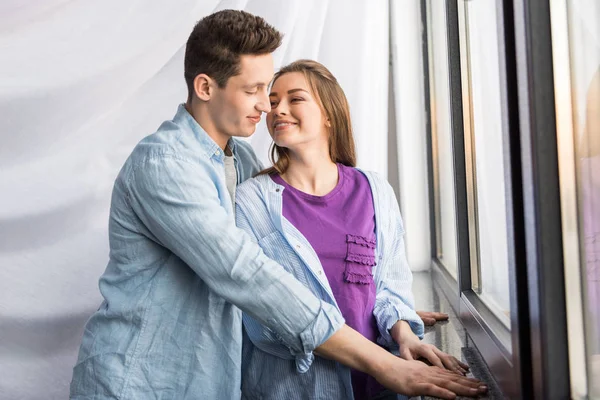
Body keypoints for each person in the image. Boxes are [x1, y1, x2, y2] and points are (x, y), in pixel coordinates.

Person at [69, 10, 487, 400]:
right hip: (138, 382)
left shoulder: (242, 161)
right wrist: (382, 364)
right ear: (205, 87)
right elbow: (244, 273)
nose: (266, 106)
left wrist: (379, 307)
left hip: (207, 380)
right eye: (253, 90)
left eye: (266, 90)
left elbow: (301, 258)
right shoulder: (164, 164)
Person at [236, 60, 470, 400]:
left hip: (381, 389)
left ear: (329, 113)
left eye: (295, 99)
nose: (278, 110)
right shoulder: (251, 203)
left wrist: (403, 332)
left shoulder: (375, 190)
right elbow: (263, 320)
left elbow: (389, 286)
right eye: (272, 102)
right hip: (293, 390)